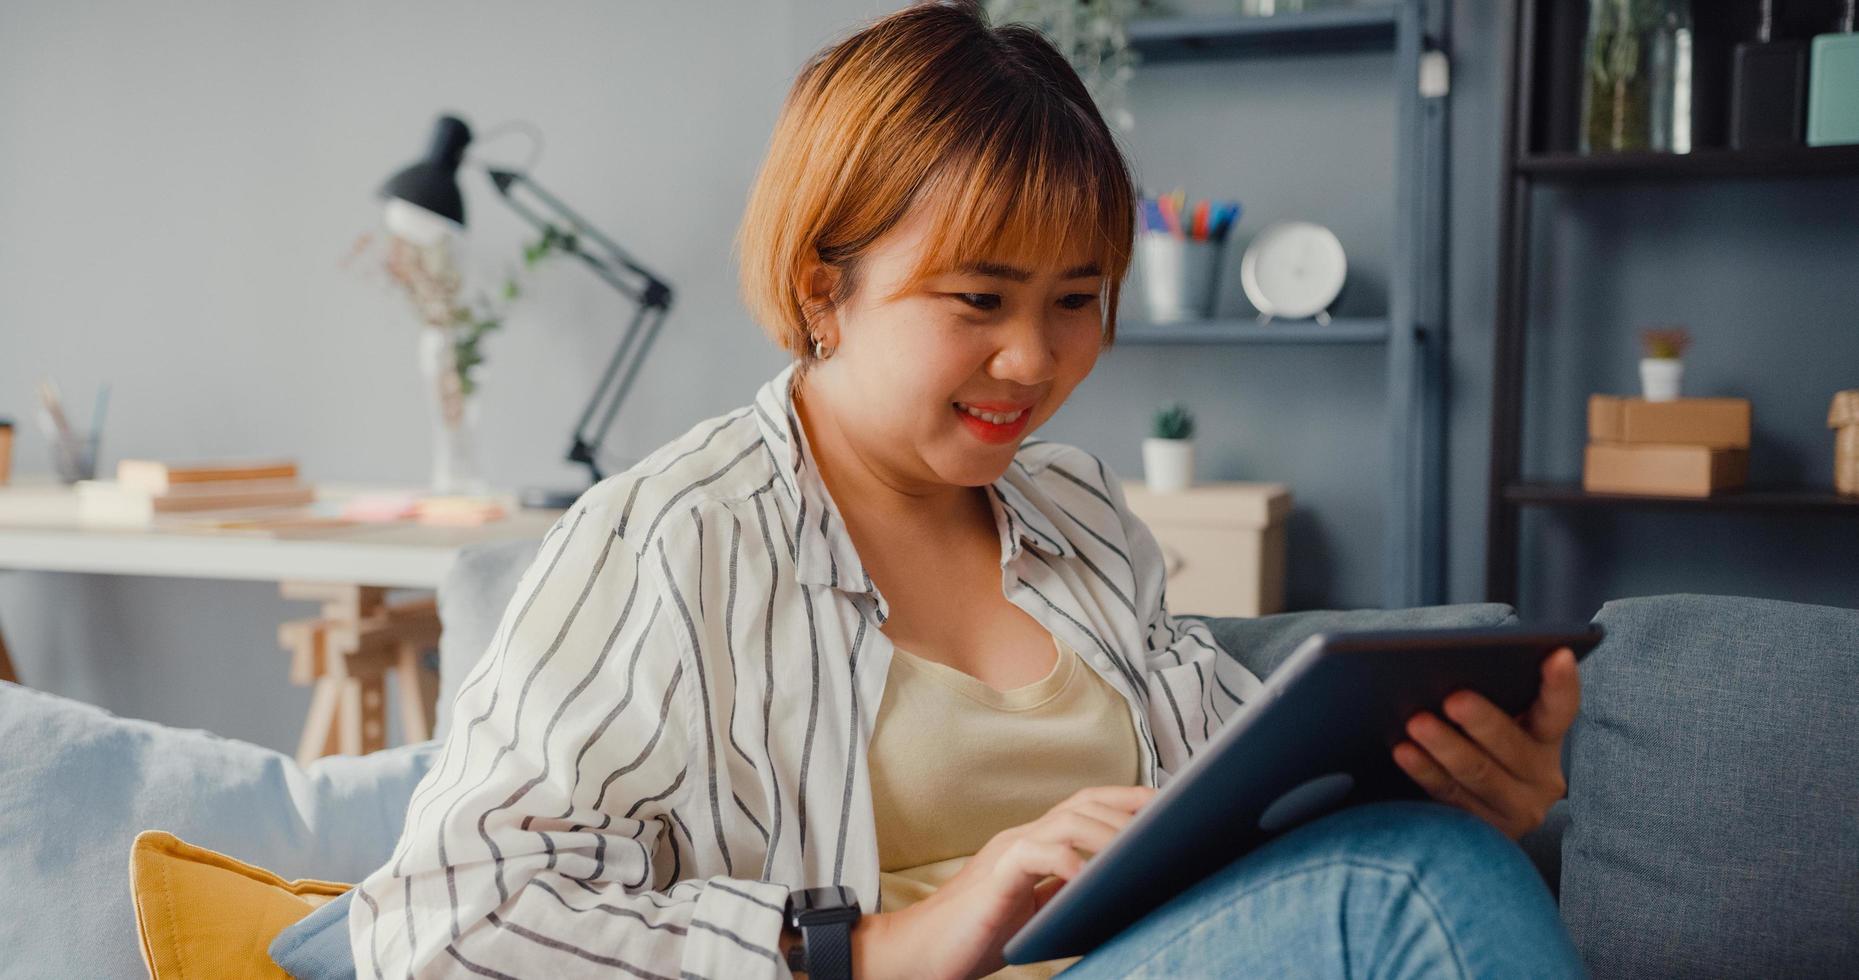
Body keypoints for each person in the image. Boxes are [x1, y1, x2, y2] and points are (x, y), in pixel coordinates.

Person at [350, 2, 1585, 977]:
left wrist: (1478, 796)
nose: (1033, 360)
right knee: (1412, 885)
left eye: (1073, 299)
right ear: (820, 282)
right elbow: (446, 921)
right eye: (979, 299)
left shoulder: (1082, 519)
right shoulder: (668, 539)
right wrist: (872, 944)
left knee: (1430, 857)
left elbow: (1235, 813)